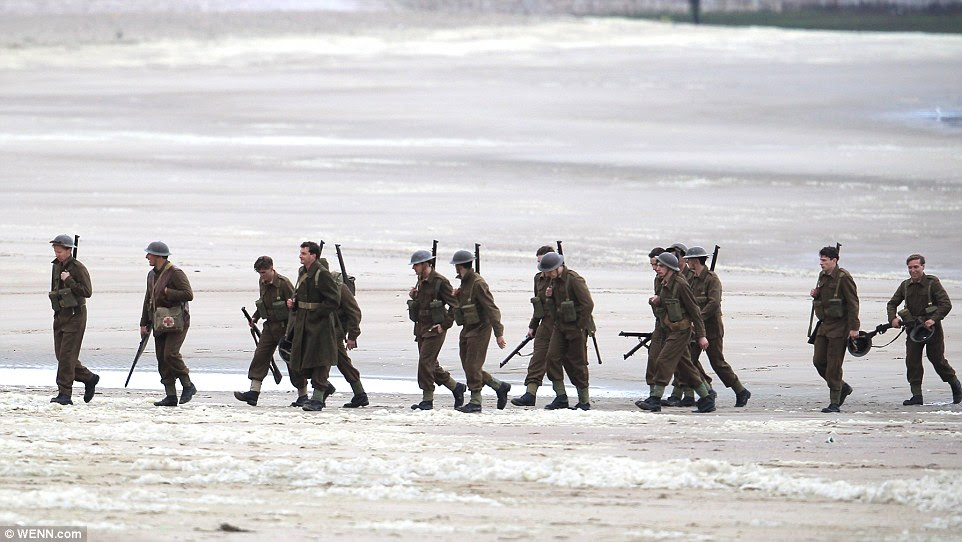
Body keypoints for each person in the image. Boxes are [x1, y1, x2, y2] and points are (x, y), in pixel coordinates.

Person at [636, 252, 715, 413]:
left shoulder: (681, 284)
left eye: (661, 266)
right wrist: (657, 302)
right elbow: (667, 306)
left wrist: (701, 335)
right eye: (657, 265)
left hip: (681, 331)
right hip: (669, 330)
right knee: (686, 367)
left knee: (663, 360)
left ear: (670, 268)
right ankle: (706, 399)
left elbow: (694, 311)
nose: (657, 268)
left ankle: (655, 399)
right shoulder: (663, 282)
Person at [886, 254, 960, 405]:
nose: (913, 270)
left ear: (923, 267)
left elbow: (946, 304)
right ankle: (917, 396)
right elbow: (892, 303)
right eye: (910, 267)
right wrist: (893, 318)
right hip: (913, 330)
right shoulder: (905, 285)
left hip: (932, 330)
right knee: (912, 361)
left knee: (937, 360)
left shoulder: (932, 283)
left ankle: (956, 386)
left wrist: (933, 319)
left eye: (916, 267)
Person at [683, 246, 751, 407]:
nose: (687, 262)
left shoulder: (712, 279)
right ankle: (705, 391)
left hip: (712, 328)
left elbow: (714, 303)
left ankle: (740, 390)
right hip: (696, 328)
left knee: (717, 362)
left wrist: (698, 318)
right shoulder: (691, 279)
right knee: (689, 361)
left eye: (689, 260)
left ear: (695, 260)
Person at [450, 250, 509, 413]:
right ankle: (499, 386)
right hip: (467, 328)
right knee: (468, 365)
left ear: (460, 266)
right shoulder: (464, 283)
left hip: (481, 329)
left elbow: (492, 309)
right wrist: (457, 297)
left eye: (456, 265)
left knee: (473, 365)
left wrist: (499, 334)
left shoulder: (478, 283)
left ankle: (476, 400)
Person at [407, 249, 466, 410]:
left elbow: (455, 305)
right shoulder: (421, 280)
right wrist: (414, 296)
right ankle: (456, 387)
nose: (413, 268)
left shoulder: (440, 282)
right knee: (431, 364)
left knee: (425, 362)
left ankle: (427, 399)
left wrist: (444, 325)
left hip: (435, 328)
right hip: (421, 327)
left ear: (425, 264)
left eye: (416, 265)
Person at [140, 241, 196, 407]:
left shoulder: (175, 273)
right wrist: (144, 322)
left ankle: (187, 385)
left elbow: (188, 294)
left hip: (177, 321)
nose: (147, 257)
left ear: (158, 256)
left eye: (149, 254)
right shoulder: (151, 275)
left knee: (170, 354)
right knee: (162, 359)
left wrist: (167, 292)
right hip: (158, 321)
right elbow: (148, 299)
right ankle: (170, 395)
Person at [286, 242, 340, 412]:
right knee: (301, 362)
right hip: (302, 324)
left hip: (320, 326)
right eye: (301, 253)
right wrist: (294, 304)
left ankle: (317, 399)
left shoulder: (322, 274)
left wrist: (316, 314)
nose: (300, 256)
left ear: (313, 256)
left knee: (320, 361)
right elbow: (302, 295)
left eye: (304, 253)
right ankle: (324, 388)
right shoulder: (303, 272)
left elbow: (334, 300)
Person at [234, 256, 294, 407]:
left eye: (264, 272)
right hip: (269, 327)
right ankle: (254, 392)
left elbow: (295, 306)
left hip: (285, 327)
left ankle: (303, 394)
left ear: (272, 268)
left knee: (291, 360)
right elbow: (264, 302)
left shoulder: (284, 283)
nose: (262, 275)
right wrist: (255, 317)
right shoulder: (262, 282)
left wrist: (292, 330)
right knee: (260, 356)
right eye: (259, 273)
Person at [511, 245, 567, 407]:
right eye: (539, 262)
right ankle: (530, 393)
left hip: (561, 324)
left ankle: (563, 396)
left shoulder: (563, 279)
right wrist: (533, 326)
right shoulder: (538, 279)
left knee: (558, 361)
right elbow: (538, 305)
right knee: (537, 359)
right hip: (545, 324)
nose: (541, 266)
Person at [48, 234, 98, 405]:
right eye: (56, 251)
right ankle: (89, 378)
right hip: (60, 315)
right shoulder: (56, 266)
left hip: (75, 316)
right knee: (61, 356)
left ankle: (64, 393)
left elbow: (87, 291)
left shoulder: (78, 268)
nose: (57, 254)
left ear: (69, 250)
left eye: (60, 251)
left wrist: (68, 279)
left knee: (67, 357)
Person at [540, 252, 594, 410]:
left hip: (576, 328)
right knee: (552, 358)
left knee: (578, 363)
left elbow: (588, 305)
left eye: (549, 271)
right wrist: (549, 297)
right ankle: (561, 396)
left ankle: (584, 401)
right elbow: (553, 306)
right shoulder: (553, 281)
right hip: (560, 326)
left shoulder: (574, 280)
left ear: (558, 268)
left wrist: (579, 327)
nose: (547, 274)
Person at [809, 246, 859, 413]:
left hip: (840, 327)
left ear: (834, 260)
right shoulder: (822, 276)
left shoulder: (844, 278)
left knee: (834, 365)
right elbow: (824, 297)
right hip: (824, 325)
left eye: (824, 260)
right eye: (820, 259)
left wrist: (854, 328)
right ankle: (842, 387)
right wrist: (816, 294)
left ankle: (835, 402)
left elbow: (853, 303)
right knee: (818, 361)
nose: (821, 263)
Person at [326, 257, 370, 408]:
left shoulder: (339, 288)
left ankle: (320, 393)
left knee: (330, 362)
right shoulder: (313, 284)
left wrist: (352, 335)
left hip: (334, 333)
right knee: (340, 362)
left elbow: (354, 312)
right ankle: (359, 393)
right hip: (320, 332)